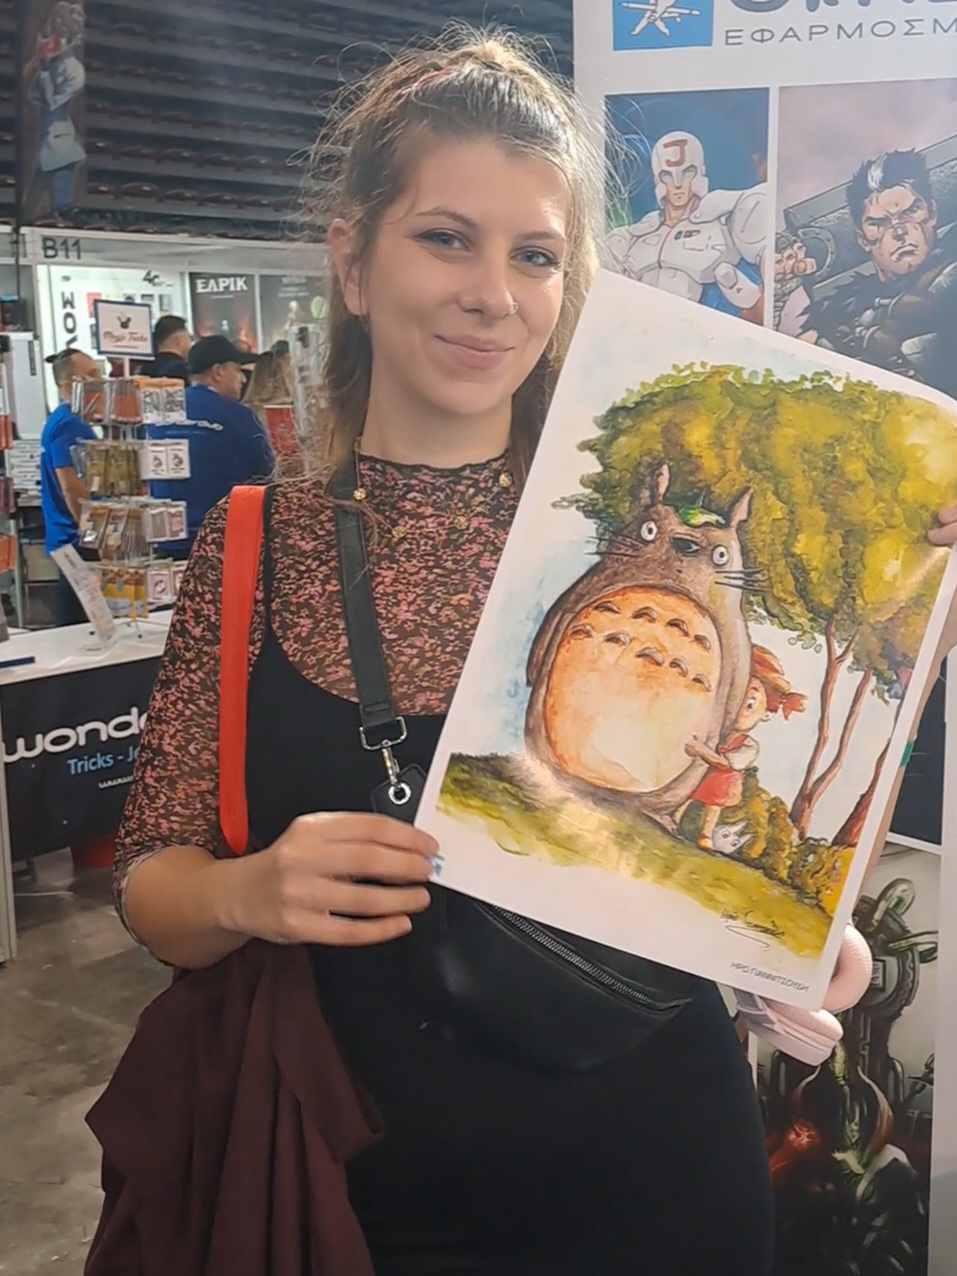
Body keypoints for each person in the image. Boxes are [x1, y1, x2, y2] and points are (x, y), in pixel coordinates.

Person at [86, 30, 949, 1276]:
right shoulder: (258, 542)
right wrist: (246, 893)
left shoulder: (620, 538)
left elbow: (791, 895)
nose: (493, 293)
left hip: (666, 1180)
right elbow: (151, 882)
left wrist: (910, 596)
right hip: (362, 1204)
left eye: (535, 255)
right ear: (353, 261)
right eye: (447, 237)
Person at [778, 149, 957, 397]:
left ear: (932, 212)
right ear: (863, 239)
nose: (899, 232)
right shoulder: (840, 317)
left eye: (909, 212)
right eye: (879, 223)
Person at [605, 129, 767, 320]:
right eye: (667, 175)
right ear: (658, 179)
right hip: (634, 327)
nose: (678, 183)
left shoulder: (724, 223)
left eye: (687, 173)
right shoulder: (633, 236)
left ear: (699, 172)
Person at [147, 335, 273, 556]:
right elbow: (266, 476)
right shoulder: (239, 416)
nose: (242, 379)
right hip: (220, 542)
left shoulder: (160, 410)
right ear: (218, 372)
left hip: (165, 539)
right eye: (237, 370)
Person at [678, 645, 807, 850]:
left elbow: (724, 764)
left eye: (749, 704)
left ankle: (706, 834)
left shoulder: (749, 746)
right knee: (687, 790)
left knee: (713, 806)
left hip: (721, 780)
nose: (738, 707)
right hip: (699, 771)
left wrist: (701, 751)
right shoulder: (713, 729)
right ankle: (675, 814)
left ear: (767, 713)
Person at [39, 348, 100, 626]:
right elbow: (71, 488)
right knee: (78, 621)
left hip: (71, 538)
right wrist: (95, 535)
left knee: (83, 620)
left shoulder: (66, 421)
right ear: (68, 384)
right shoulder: (69, 425)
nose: (99, 382)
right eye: (92, 375)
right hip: (76, 540)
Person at [139, 314, 192, 382]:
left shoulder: (145, 368)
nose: (190, 342)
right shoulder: (180, 369)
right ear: (179, 340)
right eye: (189, 337)